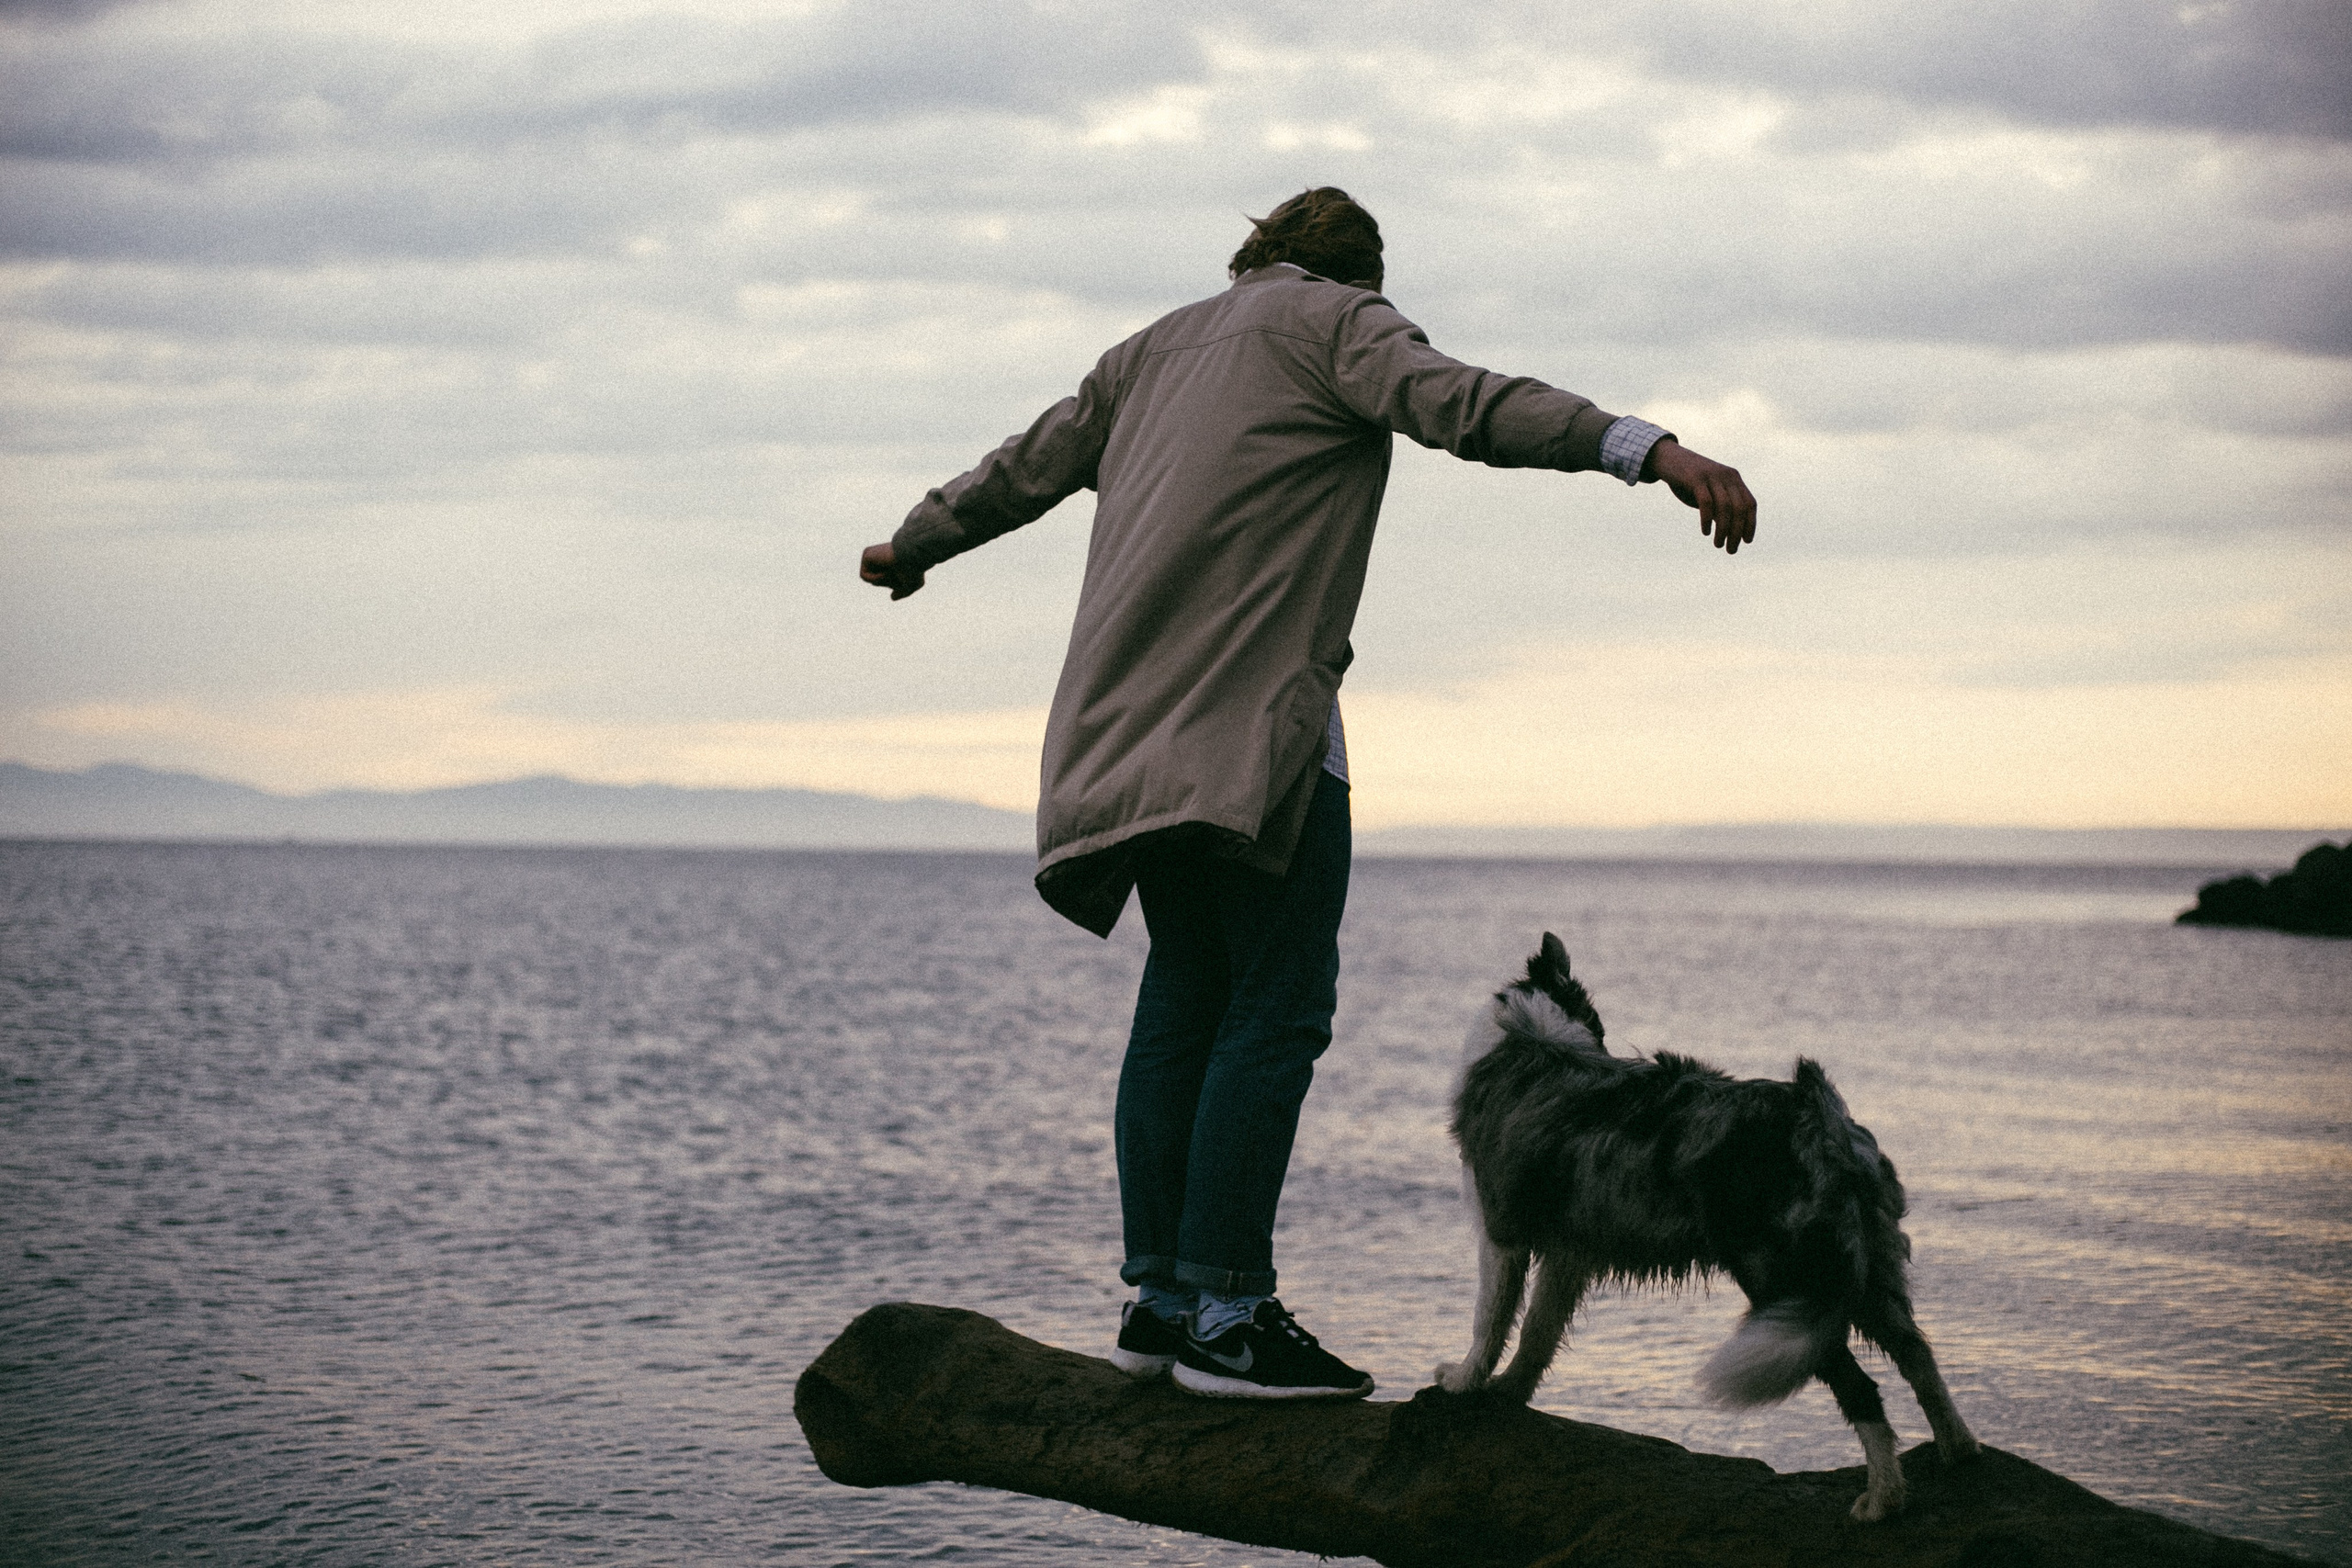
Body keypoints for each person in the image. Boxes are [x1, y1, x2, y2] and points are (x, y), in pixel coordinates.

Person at [859, 187, 1755, 1401]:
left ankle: (1160, 1306)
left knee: (1184, 997)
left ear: (1253, 255)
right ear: (1355, 275)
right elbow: (1469, 405)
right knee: (1274, 1011)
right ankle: (1230, 1316)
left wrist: (912, 544)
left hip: (1125, 741)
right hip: (1252, 740)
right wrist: (1651, 450)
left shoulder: (1145, 354)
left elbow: (1020, 469)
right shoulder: (1337, 323)